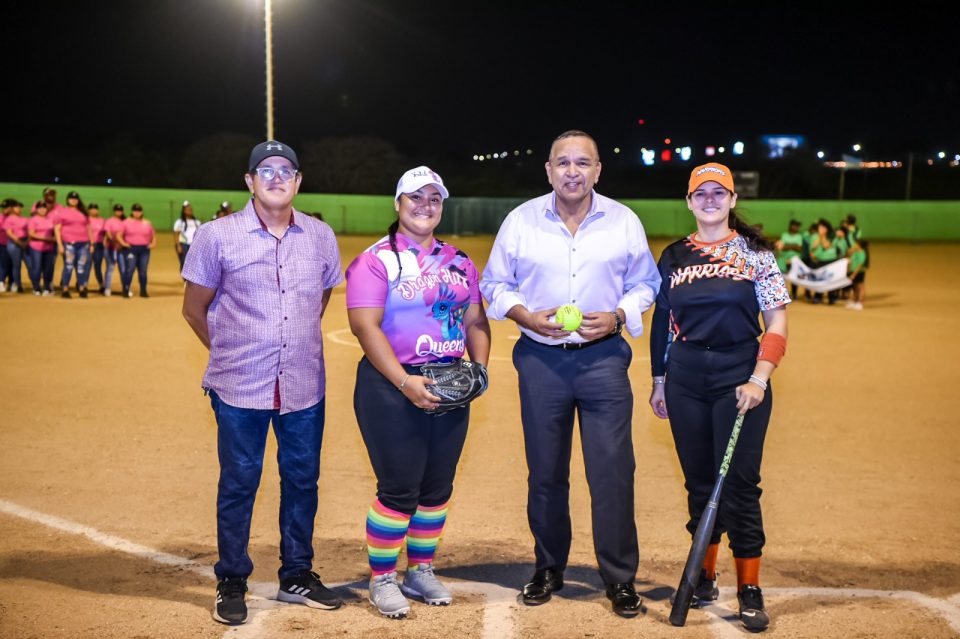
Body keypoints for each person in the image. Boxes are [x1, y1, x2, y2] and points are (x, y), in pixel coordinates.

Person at [480, 130, 661, 618]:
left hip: (603, 360)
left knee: (613, 473)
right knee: (545, 473)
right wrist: (524, 315)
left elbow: (647, 283)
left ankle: (620, 578)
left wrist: (620, 315)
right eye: (564, 163)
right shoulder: (520, 221)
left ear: (598, 170)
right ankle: (548, 566)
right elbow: (493, 283)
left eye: (583, 162)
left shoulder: (624, 221)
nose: (573, 171)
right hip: (541, 360)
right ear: (549, 170)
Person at [181, 140, 344, 626]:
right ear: (249, 181)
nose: (276, 177)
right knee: (239, 482)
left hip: (302, 385)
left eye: (286, 170)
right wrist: (232, 350)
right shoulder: (217, 236)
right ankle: (232, 577)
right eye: (265, 170)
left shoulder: (319, 235)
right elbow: (193, 308)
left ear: (298, 182)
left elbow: (321, 298)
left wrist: (284, 344)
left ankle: (297, 572)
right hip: (238, 387)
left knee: (301, 481)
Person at [648, 163, 789, 632]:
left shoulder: (756, 254)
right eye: (700, 193)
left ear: (731, 200)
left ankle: (749, 586)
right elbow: (663, 324)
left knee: (741, 487)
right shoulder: (673, 256)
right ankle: (702, 574)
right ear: (689, 201)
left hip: (740, 375)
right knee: (700, 484)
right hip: (687, 376)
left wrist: (759, 379)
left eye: (719, 192)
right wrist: (660, 380)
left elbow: (777, 324)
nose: (709, 199)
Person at [345, 167, 491, 619]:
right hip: (391, 383)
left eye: (434, 198)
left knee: (437, 486)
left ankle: (421, 569)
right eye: (415, 197)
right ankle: (383, 577)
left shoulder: (459, 260)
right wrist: (406, 383)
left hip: (448, 381)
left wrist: (479, 369)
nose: (424, 205)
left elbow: (475, 321)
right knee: (399, 488)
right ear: (397, 203)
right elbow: (364, 326)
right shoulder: (376, 260)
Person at [53, 190, 93, 298]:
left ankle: (81, 288)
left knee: (81, 267)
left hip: (83, 243)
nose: (73, 200)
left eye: (75, 199)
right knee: (69, 266)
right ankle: (65, 289)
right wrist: (60, 244)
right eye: (71, 198)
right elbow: (57, 229)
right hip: (69, 243)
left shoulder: (83, 212)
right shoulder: (63, 212)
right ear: (68, 200)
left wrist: (91, 243)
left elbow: (89, 228)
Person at [116, 203, 156, 298]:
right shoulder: (126, 222)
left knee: (143, 271)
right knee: (130, 269)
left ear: (141, 212)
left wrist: (153, 244)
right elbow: (118, 235)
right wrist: (124, 243)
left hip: (144, 249)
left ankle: (143, 290)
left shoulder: (147, 223)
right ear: (132, 212)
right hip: (131, 249)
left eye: (139, 211)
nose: (137, 213)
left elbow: (153, 236)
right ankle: (126, 289)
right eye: (135, 211)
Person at [26, 201, 57, 295]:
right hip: (36, 247)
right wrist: (47, 238)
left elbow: (55, 231)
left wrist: (54, 238)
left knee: (48, 268)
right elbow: (31, 234)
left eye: (44, 208)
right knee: (37, 268)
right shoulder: (33, 220)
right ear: (36, 209)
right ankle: (36, 288)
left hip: (49, 247)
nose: (42, 210)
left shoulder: (50, 220)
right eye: (40, 208)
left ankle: (46, 287)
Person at [3, 200, 29, 293]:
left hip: (25, 243)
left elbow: (30, 231)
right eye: (16, 207)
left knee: (30, 265)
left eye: (20, 207)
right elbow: (9, 233)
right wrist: (19, 242)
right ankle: (18, 285)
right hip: (14, 244)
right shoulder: (9, 219)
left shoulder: (25, 219)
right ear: (12, 209)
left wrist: (26, 242)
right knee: (16, 265)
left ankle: (35, 285)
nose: (19, 209)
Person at [102, 204, 127, 296]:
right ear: (114, 211)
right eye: (117, 210)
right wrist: (114, 242)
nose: (118, 212)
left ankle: (126, 288)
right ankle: (107, 288)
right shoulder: (109, 221)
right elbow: (108, 233)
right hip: (110, 248)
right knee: (110, 267)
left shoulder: (125, 221)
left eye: (120, 210)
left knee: (123, 269)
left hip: (122, 248)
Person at [775, 219, 803, 299]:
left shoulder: (799, 236)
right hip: (783, 260)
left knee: (794, 277)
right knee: (782, 277)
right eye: (796, 226)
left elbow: (799, 248)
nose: (797, 228)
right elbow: (781, 247)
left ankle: (794, 294)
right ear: (791, 226)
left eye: (798, 226)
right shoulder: (784, 235)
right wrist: (793, 246)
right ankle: (782, 294)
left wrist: (786, 246)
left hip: (794, 260)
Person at [173, 200, 202, 274]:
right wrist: (178, 245)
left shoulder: (197, 222)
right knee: (184, 263)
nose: (190, 211)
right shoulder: (179, 222)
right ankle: (185, 280)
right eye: (188, 210)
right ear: (184, 211)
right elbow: (176, 234)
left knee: (194, 264)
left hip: (194, 245)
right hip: (183, 245)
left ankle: (191, 280)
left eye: (191, 209)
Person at [87, 203, 107, 294]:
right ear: (88, 210)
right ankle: (82, 283)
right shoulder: (86, 220)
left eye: (95, 209)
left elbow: (106, 233)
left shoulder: (102, 220)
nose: (94, 210)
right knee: (86, 266)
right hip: (87, 245)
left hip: (99, 246)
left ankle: (101, 285)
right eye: (92, 209)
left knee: (97, 266)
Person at [846, 238, 869, 311]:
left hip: (859, 272)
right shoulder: (855, 252)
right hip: (853, 271)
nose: (854, 245)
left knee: (860, 287)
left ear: (859, 245)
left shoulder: (862, 253)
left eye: (856, 243)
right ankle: (855, 301)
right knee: (855, 287)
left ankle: (860, 303)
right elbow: (850, 258)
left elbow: (859, 265)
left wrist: (854, 274)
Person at [0, 199, 14, 291]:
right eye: (3, 207)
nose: (4, 209)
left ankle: (12, 282)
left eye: (6, 207)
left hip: (13, 245)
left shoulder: (15, 218)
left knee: (12, 264)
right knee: (3, 264)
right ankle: (1, 282)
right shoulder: (0, 217)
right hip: (2, 244)